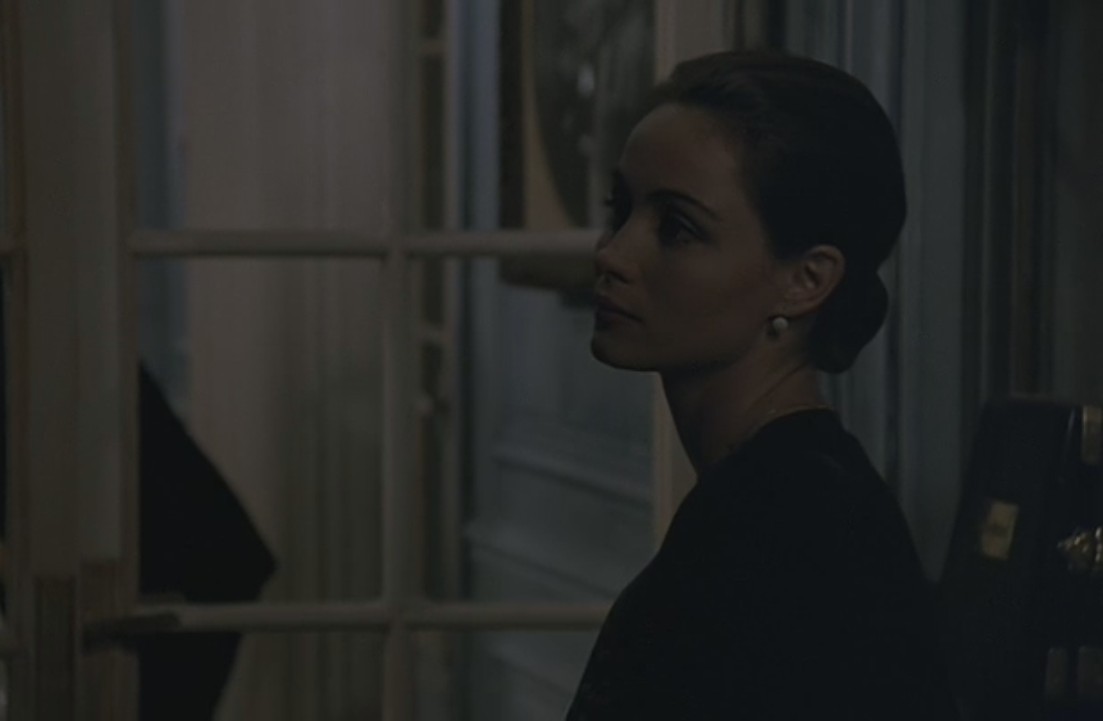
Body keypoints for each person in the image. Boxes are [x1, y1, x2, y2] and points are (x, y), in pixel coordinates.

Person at [566, 51, 960, 719]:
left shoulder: (789, 527)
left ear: (805, 280)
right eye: (621, 209)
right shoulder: (771, 496)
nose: (613, 253)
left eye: (677, 228)